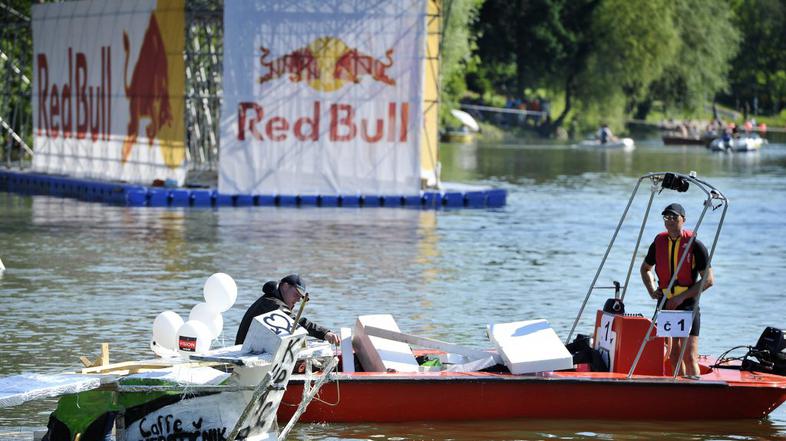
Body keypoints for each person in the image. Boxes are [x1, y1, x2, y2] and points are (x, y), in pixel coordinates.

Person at [640, 203, 714, 378]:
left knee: (689, 356)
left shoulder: (695, 245)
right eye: (667, 217)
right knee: (673, 355)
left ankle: (695, 393)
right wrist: (652, 290)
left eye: (674, 217)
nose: (670, 221)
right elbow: (645, 269)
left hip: (687, 304)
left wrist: (682, 298)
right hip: (666, 303)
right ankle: (680, 389)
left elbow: (709, 280)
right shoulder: (658, 242)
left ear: (683, 219)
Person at [235, 274, 340, 345]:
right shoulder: (273, 304)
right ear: (285, 286)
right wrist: (325, 333)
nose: (298, 300)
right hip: (246, 359)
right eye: (296, 294)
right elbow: (296, 322)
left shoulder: (271, 300)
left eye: (301, 297)